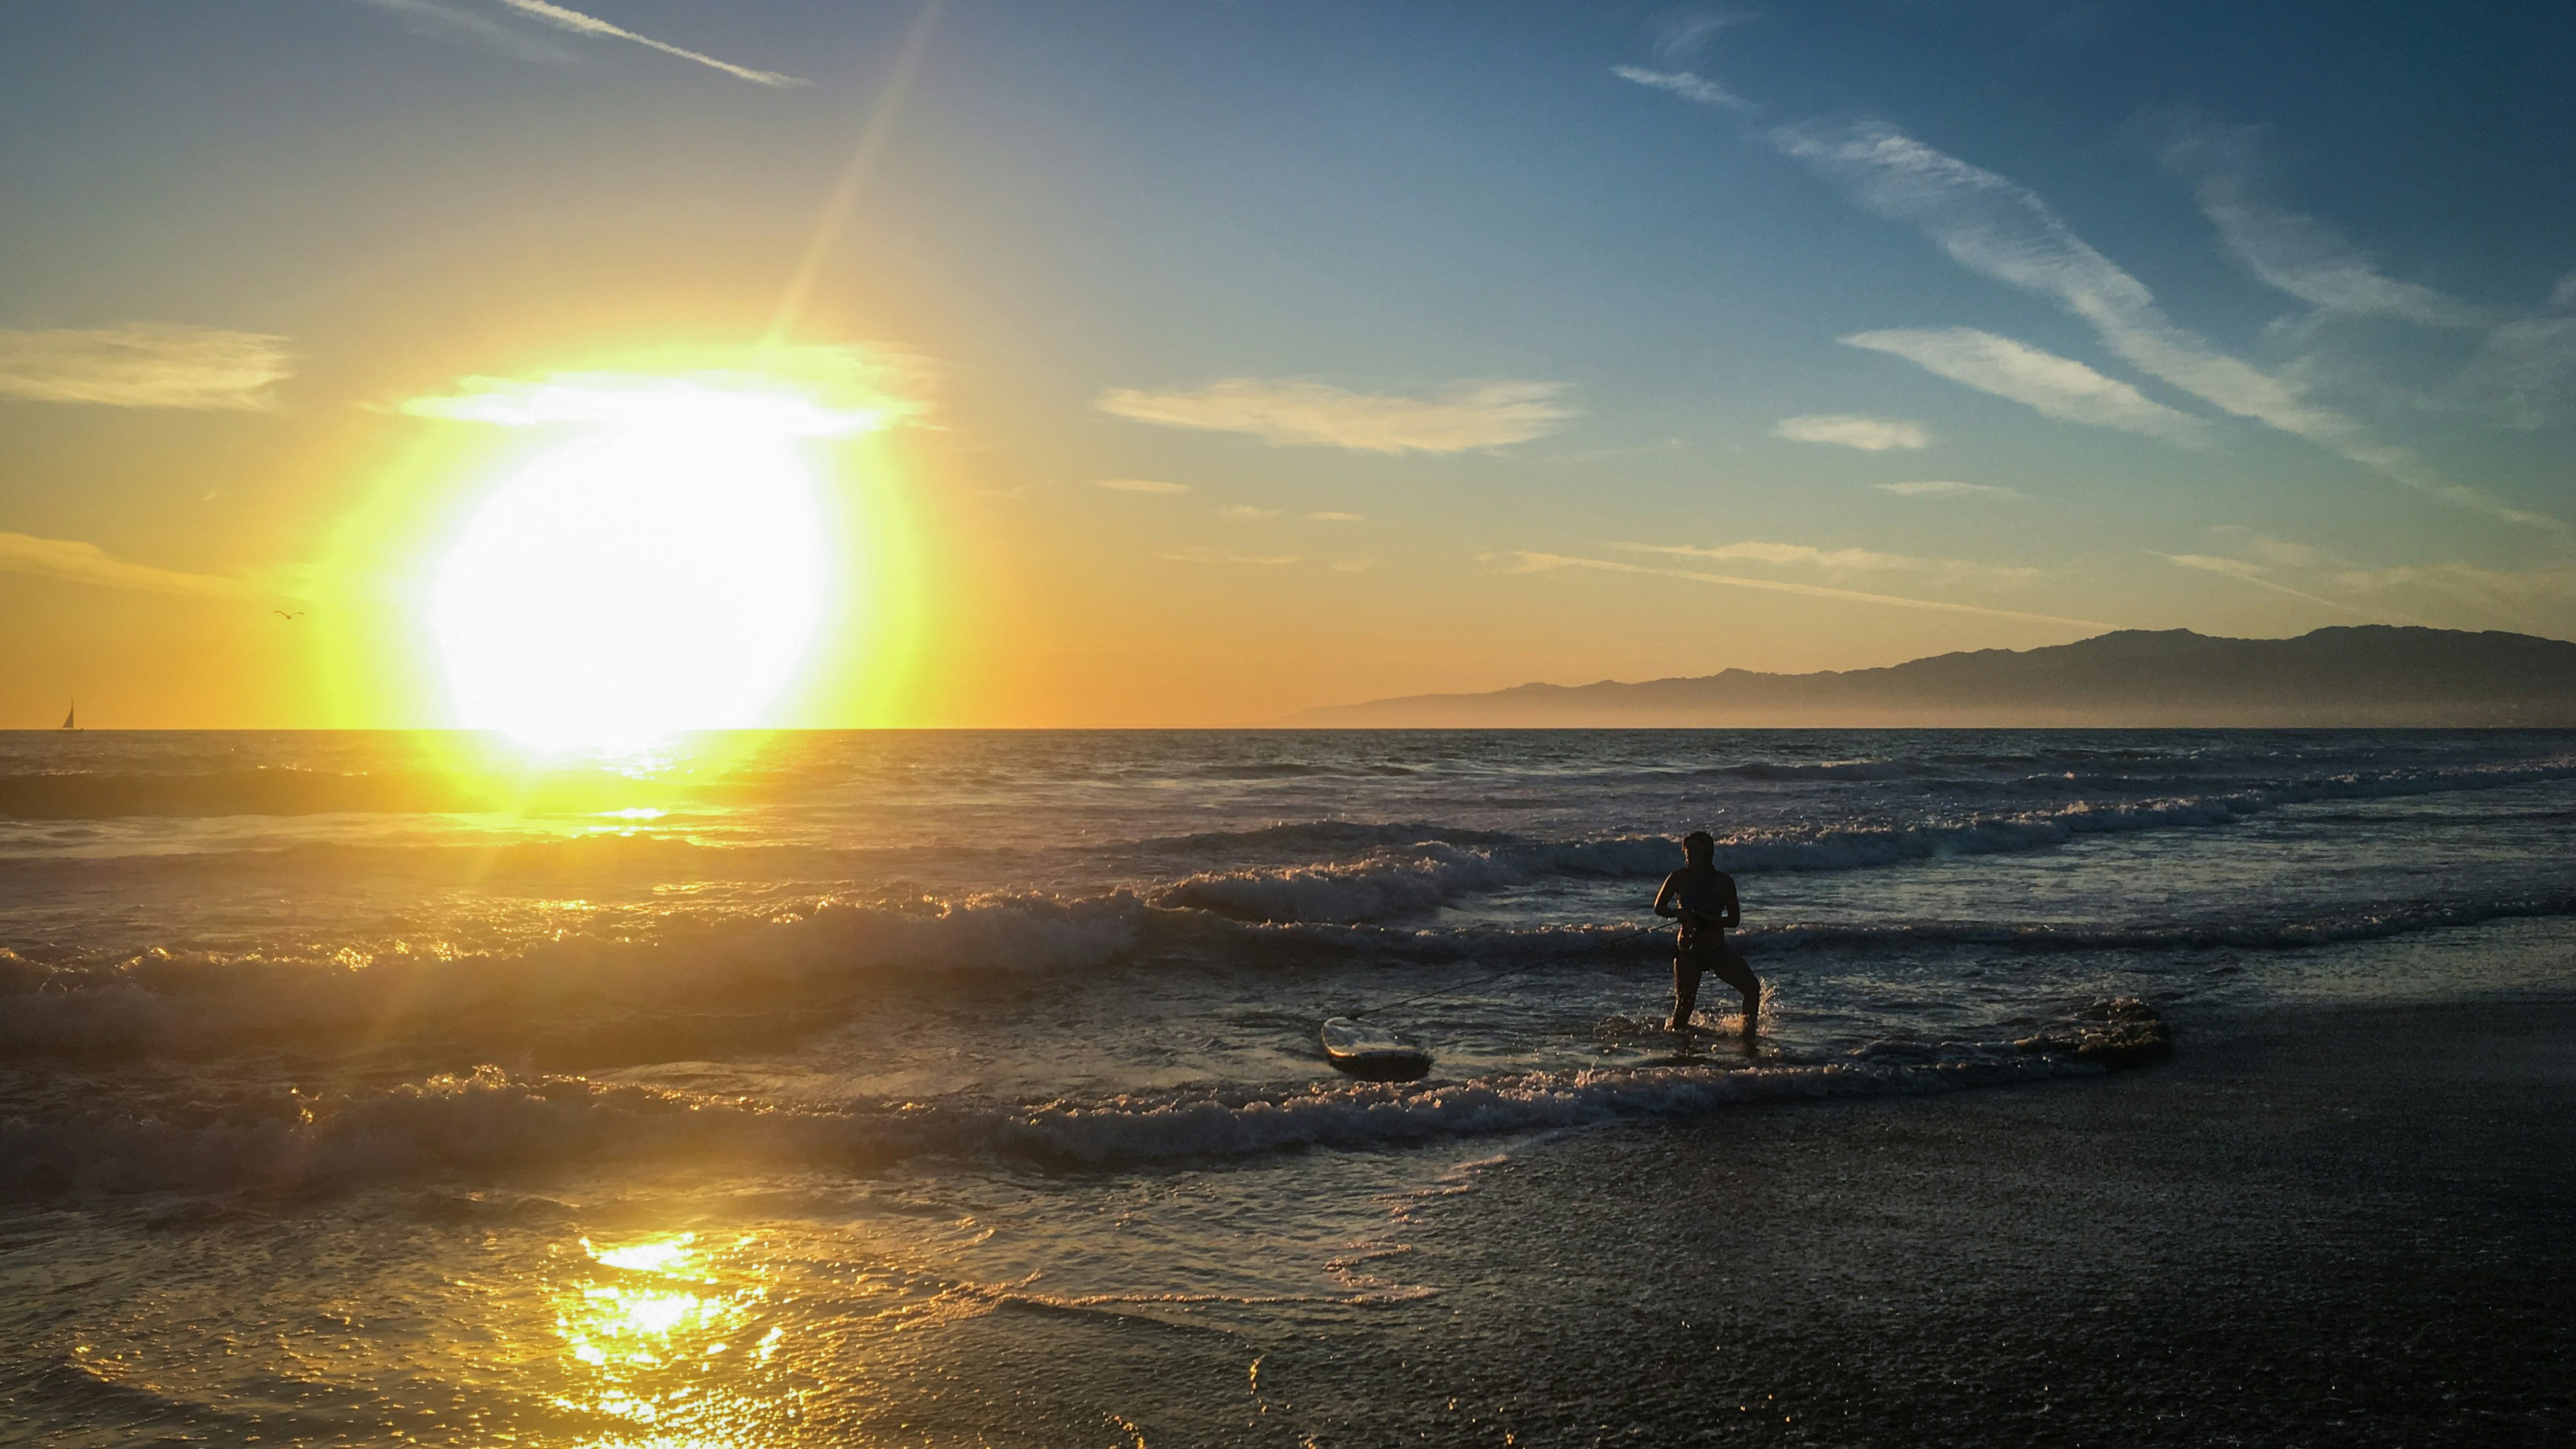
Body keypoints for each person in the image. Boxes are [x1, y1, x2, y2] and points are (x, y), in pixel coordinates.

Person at [1651, 829, 1757, 1036]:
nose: (1688, 855)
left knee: (1752, 989)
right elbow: (1659, 907)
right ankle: (1677, 1046)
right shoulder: (1678, 877)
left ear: (1708, 854)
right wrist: (1679, 913)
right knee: (1684, 1006)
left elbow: (1734, 920)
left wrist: (1709, 920)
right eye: (1687, 851)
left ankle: (1748, 1037)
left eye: (1694, 851)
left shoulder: (1723, 882)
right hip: (1688, 952)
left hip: (1717, 950)